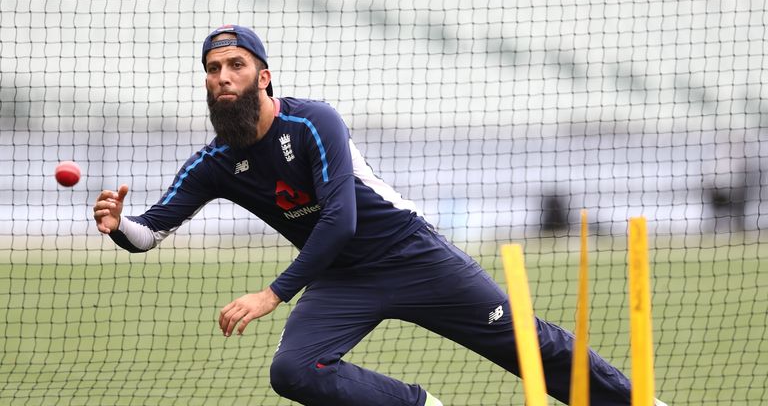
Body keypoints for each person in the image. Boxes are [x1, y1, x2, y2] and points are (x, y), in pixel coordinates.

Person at [93, 24, 636, 406]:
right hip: (341, 277)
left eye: (237, 64)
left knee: (527, 343)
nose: (223, 76)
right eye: (213, 69)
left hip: (410, 253)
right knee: (293, 372)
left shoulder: (313, 123)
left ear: (263, 77)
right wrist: (119, 226)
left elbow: (340, 220)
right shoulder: (213, 164)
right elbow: (149, 232)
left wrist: (271, 294)